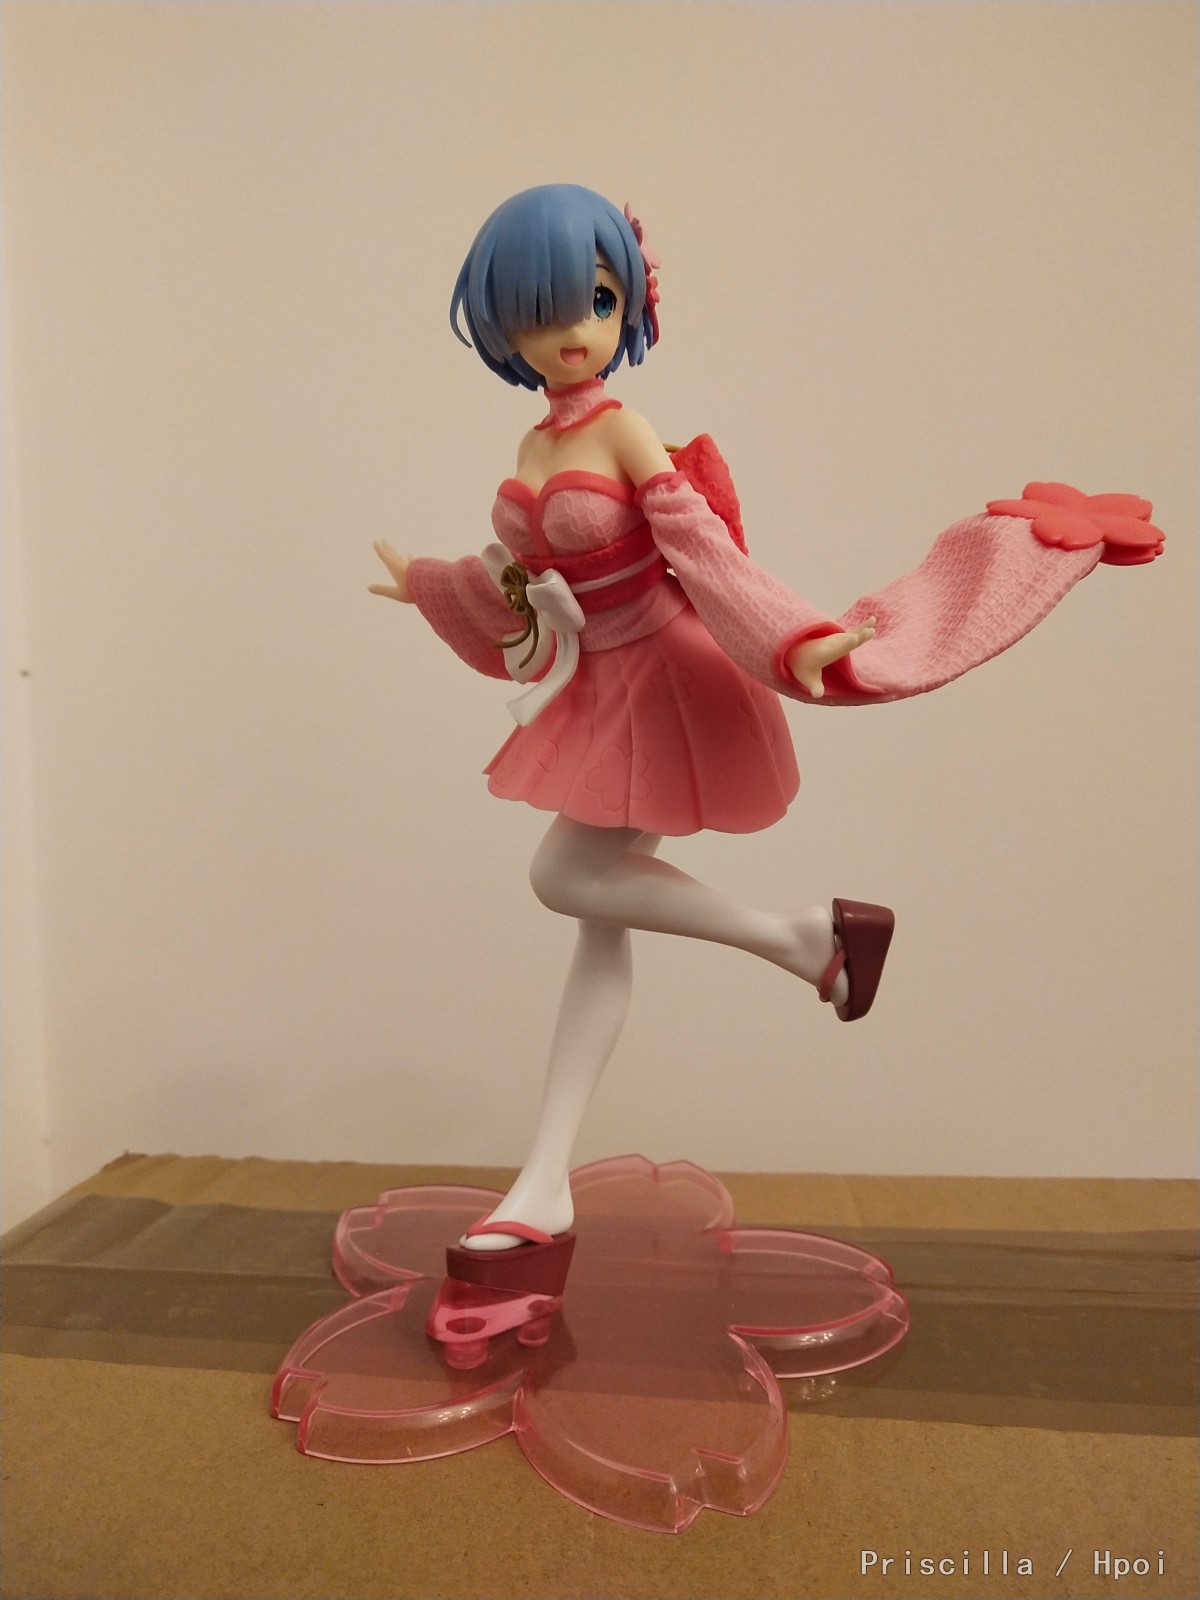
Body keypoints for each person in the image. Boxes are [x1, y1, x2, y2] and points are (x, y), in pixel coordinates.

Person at [370, 184, 1162, 1274]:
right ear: (502, 324)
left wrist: (792, 636)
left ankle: (801, 942)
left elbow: (698, 545)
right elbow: (524, 577)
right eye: (540, 309)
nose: (573, 329)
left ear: (628, 299)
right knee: (596, 916)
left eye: (595, 298)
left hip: (666, 677)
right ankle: (545, 1184)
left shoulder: (621, 428)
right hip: (598, 689)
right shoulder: (535, 435)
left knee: (565, 879)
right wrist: (433, 584)